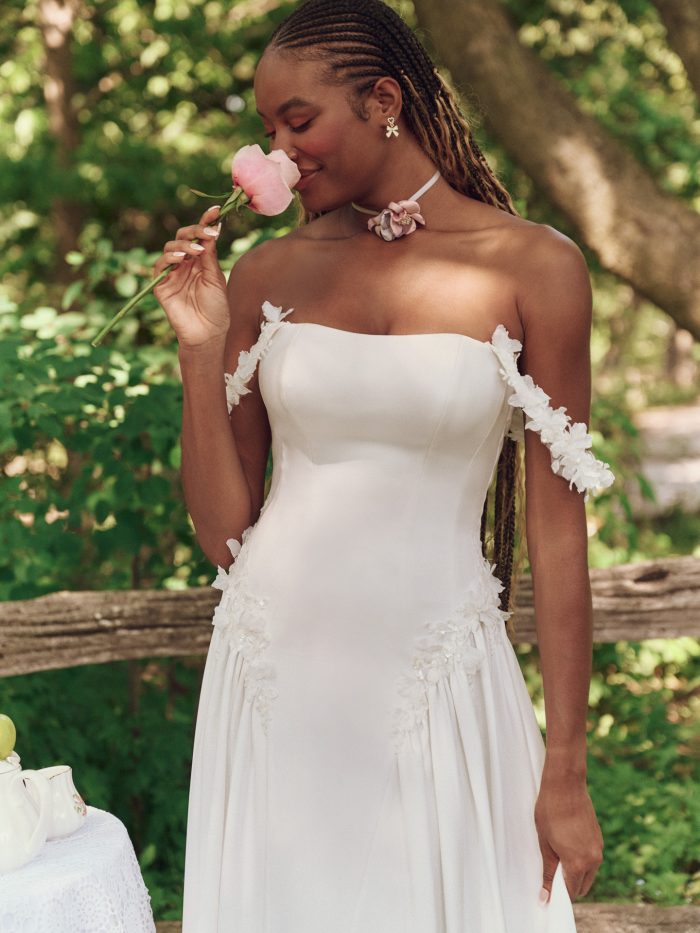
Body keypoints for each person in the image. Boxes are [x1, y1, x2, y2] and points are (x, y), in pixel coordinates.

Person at [153, 1, 612, 929]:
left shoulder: (535, 267)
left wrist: (566, 765)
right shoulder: (265, 274)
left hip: (434, 682)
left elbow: (560, 540)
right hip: (274, 672)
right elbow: (224, 533)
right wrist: (201, 356)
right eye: (267, 128)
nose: (279, 151)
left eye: (299, 120)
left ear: (385, 100)